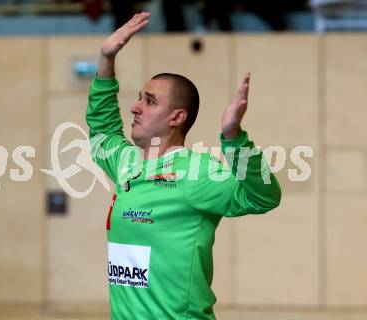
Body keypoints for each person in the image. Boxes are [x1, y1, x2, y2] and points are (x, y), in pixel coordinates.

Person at [86, 12, 281, 319]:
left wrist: (235, 138)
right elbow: (103, 129)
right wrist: (106, 59)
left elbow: (263, 197)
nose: (135, 107)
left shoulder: (197, 173)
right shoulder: (126, 165)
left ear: (176, 117)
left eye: (149, 101)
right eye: (138, 98)